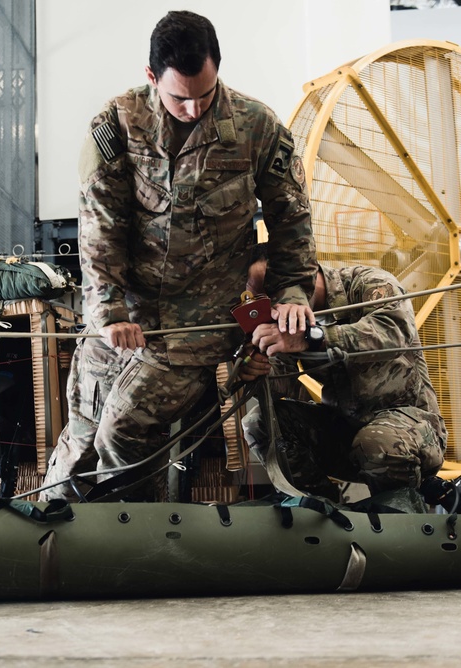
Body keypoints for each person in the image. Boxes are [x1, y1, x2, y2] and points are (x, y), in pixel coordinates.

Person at [40, 11, 317, 502]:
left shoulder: (258, 128)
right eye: (179, 97)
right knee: (81, 436)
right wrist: (107, 312)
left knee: (124, 432)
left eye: (204, 95)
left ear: (218, 69)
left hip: (201, 328)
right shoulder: (117, 124)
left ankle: (134, 545)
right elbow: (100, 228)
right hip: (124, 318)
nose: (193, 108)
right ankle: (47, 538)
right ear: (151, 77)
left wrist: (293, 290)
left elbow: (291, 219)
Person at [238, 245, 448, 506]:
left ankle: (401, 524)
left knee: (376, 442)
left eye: (273, 292)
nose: (270, 307)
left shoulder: (368, 283)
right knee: (259, 423)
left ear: (305, 273)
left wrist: (313, 339)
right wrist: (256, 370)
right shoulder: (287, 322)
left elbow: (394, 332)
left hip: (411, 430)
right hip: (345, 435)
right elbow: (283, 389)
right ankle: (322, 514)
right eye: (261, 297)